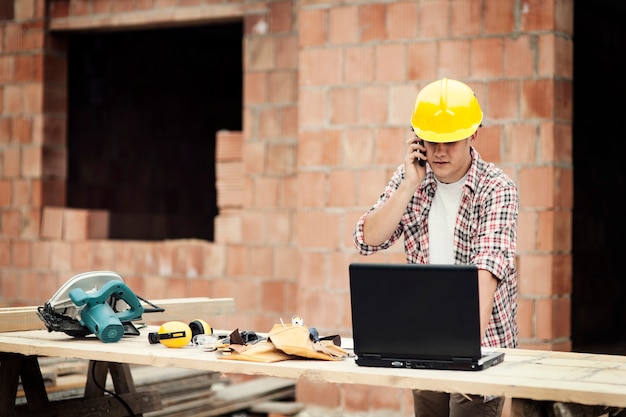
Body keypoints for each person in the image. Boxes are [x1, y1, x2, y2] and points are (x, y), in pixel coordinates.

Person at [353, 78, 518, 417]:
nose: (439, 151)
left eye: (451, 141)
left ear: (473, 135)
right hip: (423, 342)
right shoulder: (411, 179)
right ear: (417, 137)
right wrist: (408, 186)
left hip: (479, 344)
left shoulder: (497, 188)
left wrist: (464, 351)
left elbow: (485, 273)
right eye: (431, 140)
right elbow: (367, 239)